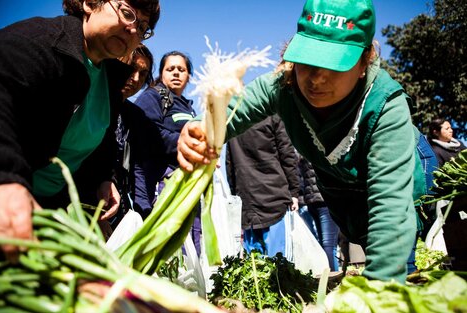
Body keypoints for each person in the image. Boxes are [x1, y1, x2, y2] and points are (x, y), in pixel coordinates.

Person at [177, 0, 437, 283]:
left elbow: (390, 206)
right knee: (360, 234)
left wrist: (379, 290)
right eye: (308, 61)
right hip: (341, 180)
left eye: (334, 65)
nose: (316, 78)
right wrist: (198, 131)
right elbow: (228, 113)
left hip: (403, 170)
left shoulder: (386, 106)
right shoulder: (283, 85)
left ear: (365, 61)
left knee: (395, 258)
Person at [0, 0, 160, 260]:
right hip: (13, 199)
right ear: (88, 3)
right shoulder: (40, 43)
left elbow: (102, 134)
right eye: (127, 14)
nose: (133, 30)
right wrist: (5, 180)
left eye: (142, 27)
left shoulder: (110, 77)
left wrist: (103, 179)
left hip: (55, 203)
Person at [130, 51, 196, 218]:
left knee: (192, 242)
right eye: (170, 69)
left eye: (181, 69)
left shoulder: (191, 109)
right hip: (162, 186)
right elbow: (149, 132)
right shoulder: (153, 96)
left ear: (188, 76)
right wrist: (189, 144)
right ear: (161, 74)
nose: (176, 72)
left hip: (189, 190)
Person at [226, 115, 300, 257]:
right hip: (275, 199)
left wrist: (236, 196)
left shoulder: (233, 120)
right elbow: (287, 154)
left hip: (247, 203)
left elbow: (229, 165)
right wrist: (294, 191)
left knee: (255, 268)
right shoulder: (272, 115)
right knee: (280, 265)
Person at [114, 43, 154, 223]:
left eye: (143, 74)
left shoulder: (135, 115)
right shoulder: (89, 101)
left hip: (118, 203)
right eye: (131, 68)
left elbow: (137, 165)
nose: (136, 78)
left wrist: (142, 209)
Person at [297, 154, 340, 271]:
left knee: (323, 244)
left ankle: (326, 279)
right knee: (330, 246)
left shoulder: (303, 152)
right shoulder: (320, 150)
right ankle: (334, 279)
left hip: (311, 201)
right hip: (325, 200)